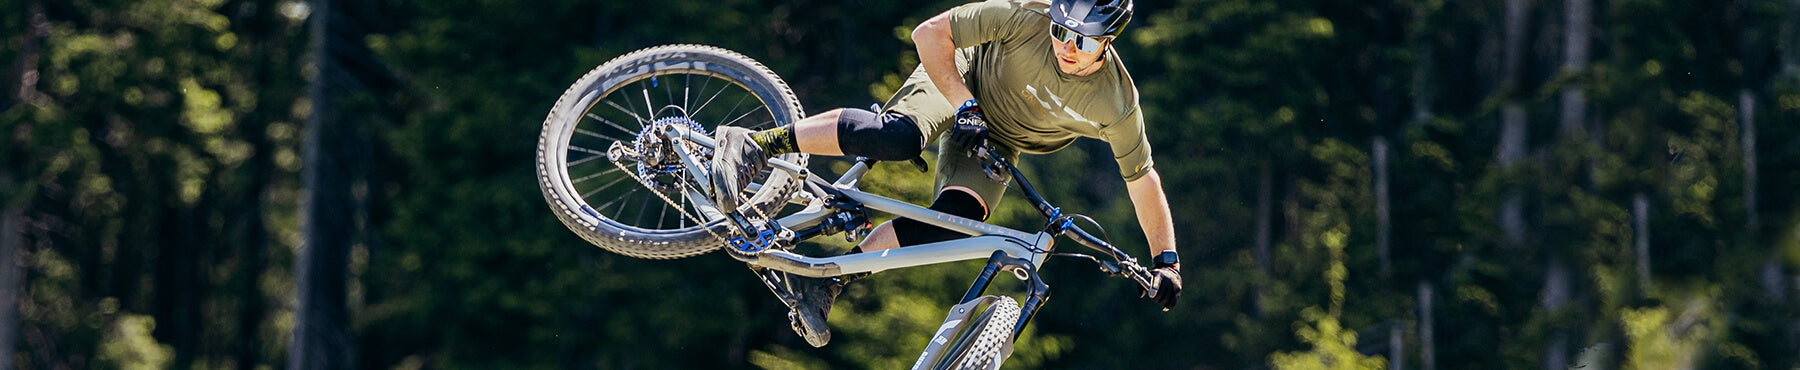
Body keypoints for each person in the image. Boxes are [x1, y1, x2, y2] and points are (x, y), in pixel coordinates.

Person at [711, 0, 1181, 348]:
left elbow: (1142, 180)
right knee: (898, 137)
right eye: (1061, 31)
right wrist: (965, 106)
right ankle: (755, 145)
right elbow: (929, 34)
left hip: (998, 142)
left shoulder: (1117, 103)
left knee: (953, 223)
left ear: (1108, 41)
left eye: (1081, 40)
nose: (1065, 46)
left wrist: (1166, 260)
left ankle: (824, 282)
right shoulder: (1026, 17)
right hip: (959, 78)